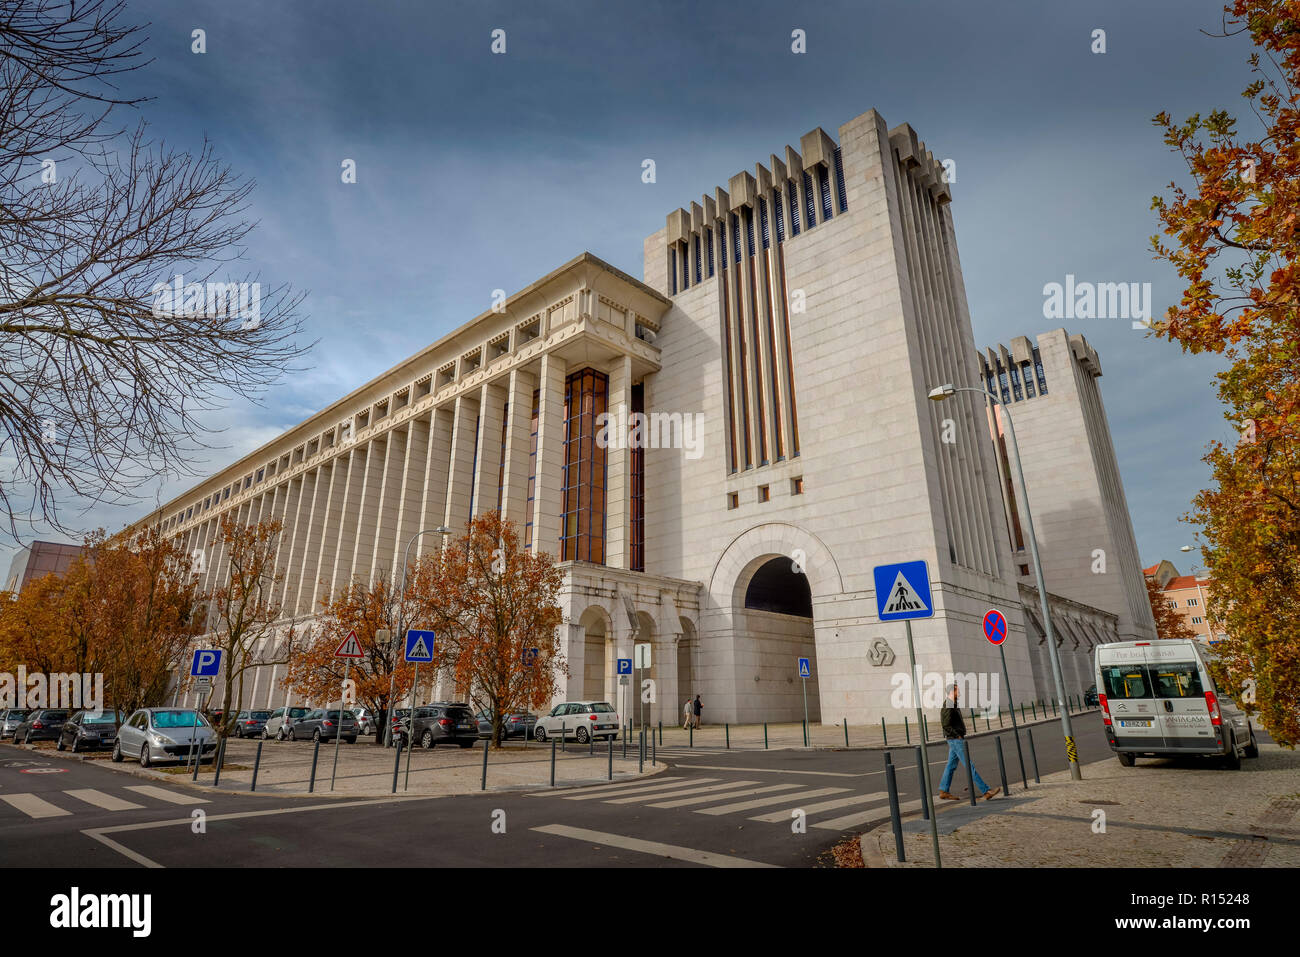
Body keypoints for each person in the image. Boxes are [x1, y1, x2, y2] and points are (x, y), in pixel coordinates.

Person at [938, 684, 999, 801]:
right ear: (952, 692)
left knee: (951, 766)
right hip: (955, 740)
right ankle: (986, 791)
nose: (959, 692)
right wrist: (957, 735)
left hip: (955, 739)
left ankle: (944, 790)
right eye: (957, 690)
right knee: (969, 765)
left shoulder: (953, 704)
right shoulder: (949, 704)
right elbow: (945, 724)